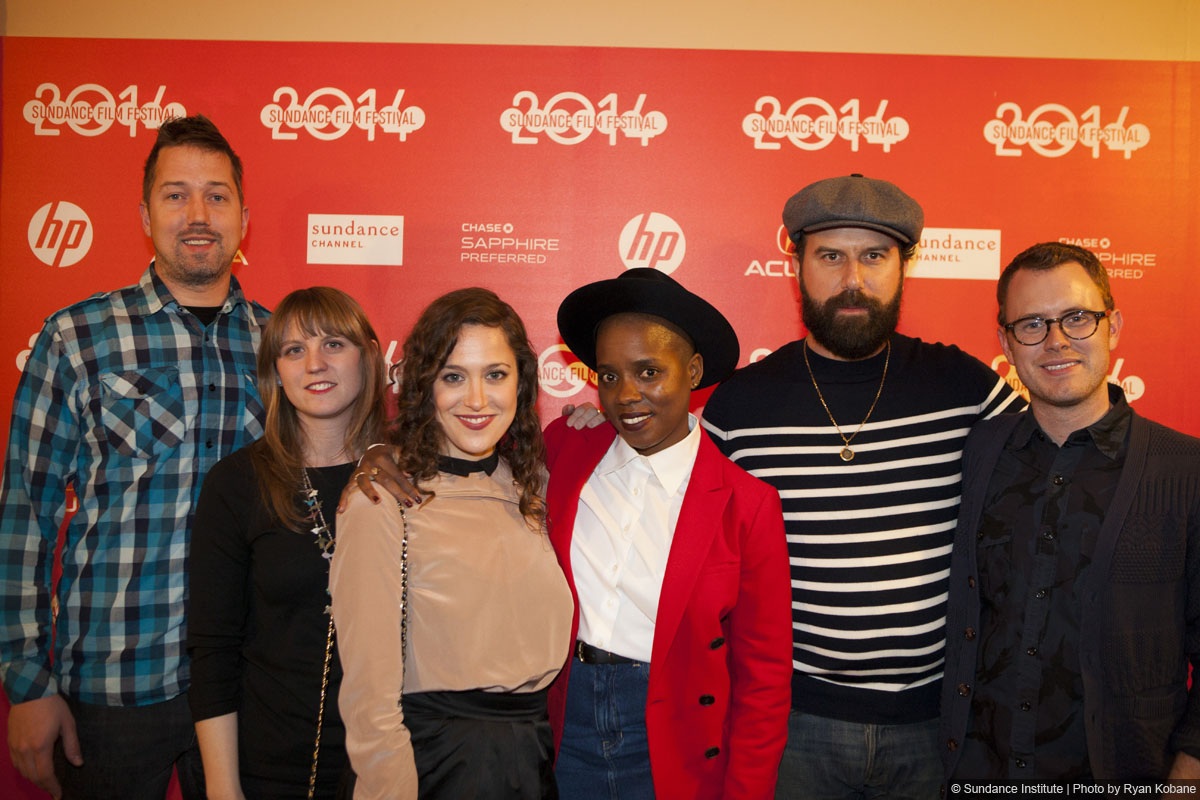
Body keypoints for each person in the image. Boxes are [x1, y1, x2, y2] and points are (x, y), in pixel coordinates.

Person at [700, 174, 1022, 798]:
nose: (854, 279)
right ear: (796, 265)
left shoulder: (965, 389)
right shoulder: (737, 408)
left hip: (937, 723)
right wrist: (596, 432)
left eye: (874, 255)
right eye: (831, 256)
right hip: (794, 725)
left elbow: (1058, 462)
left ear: (905, 266)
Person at [0, 115, 266, 800]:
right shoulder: (76, 338)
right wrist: (27, 683)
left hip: (245, 681)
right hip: (112, 687)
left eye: (217, 194)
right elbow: (24, 517)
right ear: (144, 215)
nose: (198, 213)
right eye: (176, 194)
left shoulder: (282, 347)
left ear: (244, 214)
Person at [940, 242, 1200, 780]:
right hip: (980, 774)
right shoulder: (976, 455)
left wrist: (1189, 773)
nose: (1056, 340)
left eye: (1077, 318)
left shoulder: (1186, 471)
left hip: (1126, 775)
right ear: (1006, 344)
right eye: (1031, 324)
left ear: (1114, 326)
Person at [545, 267, 793, 799]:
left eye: (649, 371)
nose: (626, 396)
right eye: (609, 376)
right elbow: (467, 471)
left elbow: (764, 681)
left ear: (693, 370)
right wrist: (383, 452)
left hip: (673, 733)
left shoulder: (747, 505)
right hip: (564, 721)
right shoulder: (566, 448)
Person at [331, 287, 573, 800]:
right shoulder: (382, 496)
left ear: (523, 383)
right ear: (423, 384)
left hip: (530, 762)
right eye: (453, 377)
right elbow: (368, 695)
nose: (478, 400)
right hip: (430, 764)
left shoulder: (532, 485)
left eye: (496, 375)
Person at [187, 287, 387, 799]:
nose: (315, 364)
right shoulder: (236, 483)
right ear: (276, 371)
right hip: (266, 768)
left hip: (392, 764)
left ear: (369, 356)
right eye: (294, 350)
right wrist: (223, 788)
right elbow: (213, 649)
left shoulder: (408, 472)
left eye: (334, 344)